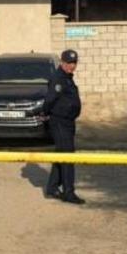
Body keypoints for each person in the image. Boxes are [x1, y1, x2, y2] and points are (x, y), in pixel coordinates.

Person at [43, 49, 84, 205]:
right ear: (62, 62)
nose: (72, 66)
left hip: (68, 122)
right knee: (67, 156)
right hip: (60, 122)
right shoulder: (58, 78)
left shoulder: (67, 78)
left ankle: (52, 187)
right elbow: (49, 100)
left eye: (74, 63)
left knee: (62, 154)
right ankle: (68, 192)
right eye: (69, 63)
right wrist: (45, 114)